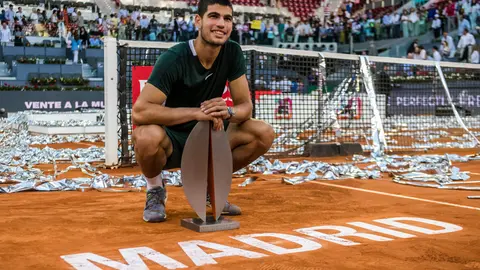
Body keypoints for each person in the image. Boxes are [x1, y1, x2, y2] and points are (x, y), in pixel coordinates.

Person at [132, 0, 275, 223]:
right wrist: (197, 113)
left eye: (227, 19)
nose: (221, 24)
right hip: (173, 141)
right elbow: (140, 112)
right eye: (214, 16)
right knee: (145, 136)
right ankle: (155, 189)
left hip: (211, 135)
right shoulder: (175, 58)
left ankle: (211, 187)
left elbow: (245, 106)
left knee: (263, 133)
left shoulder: (233, 52)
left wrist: (227, 111)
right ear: (198, 21)